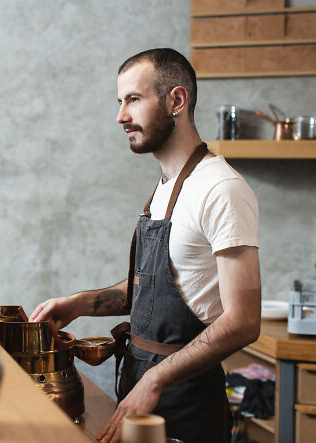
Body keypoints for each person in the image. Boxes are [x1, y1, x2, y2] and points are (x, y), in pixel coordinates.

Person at [30, 48, 261, 443]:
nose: (121, 116)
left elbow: (243, 321)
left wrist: (156, 377)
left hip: (187, 408)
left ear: (176, 100)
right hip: (139, 392)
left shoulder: (222, 189)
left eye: (133, 100)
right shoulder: (164, 188)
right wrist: (80, 304)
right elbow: (156, 288)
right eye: (120, 102)